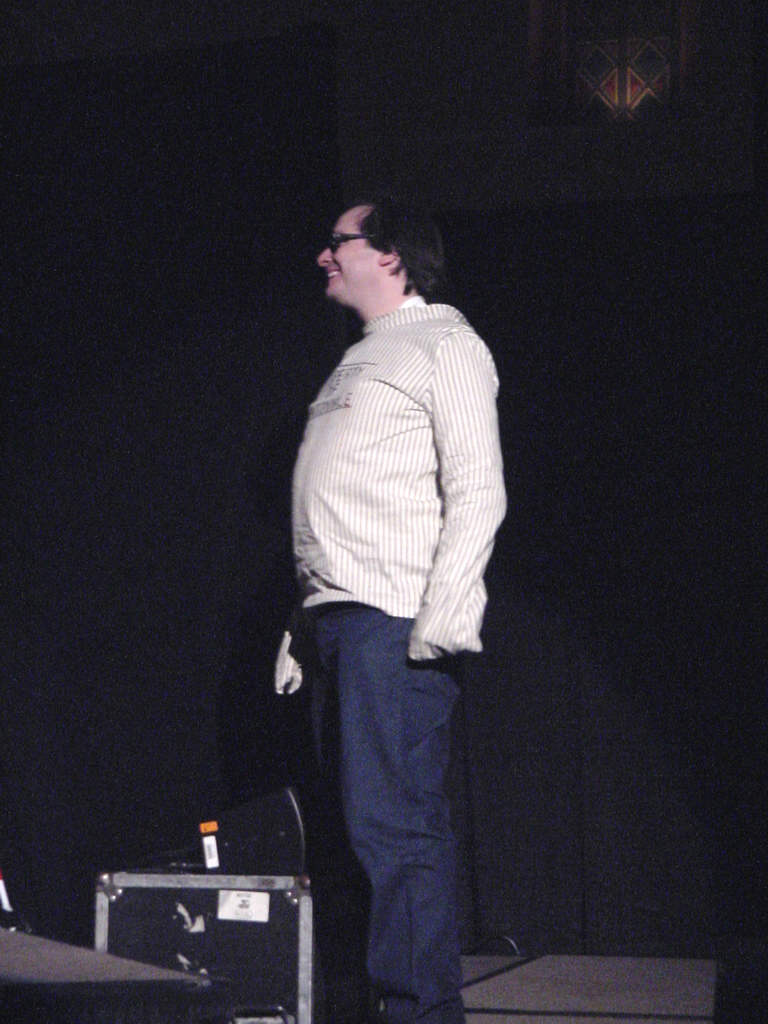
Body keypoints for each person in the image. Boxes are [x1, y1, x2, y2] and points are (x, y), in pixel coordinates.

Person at [274, 195, 506, 1024]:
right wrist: (305, 619)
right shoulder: (362, 357)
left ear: (391, 254)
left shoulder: (445, 343)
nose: (323, 256)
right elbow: (343, 501)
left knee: (395, 829)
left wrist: (443, 614)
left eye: (336, 242)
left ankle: (420, 1015)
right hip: (343, 623)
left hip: (395, 622)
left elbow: (477, 487)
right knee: (357, 832)